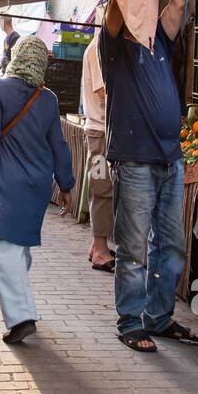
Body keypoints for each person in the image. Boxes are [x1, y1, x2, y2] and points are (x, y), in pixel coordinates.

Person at [100, 0, 198, 353]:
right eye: (139, 3)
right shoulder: (114, 47)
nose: (147, 7)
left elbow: (178, 2)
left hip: (170, 160)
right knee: (134, 245)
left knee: (171, 244)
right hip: (136, 160)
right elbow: (117, 8)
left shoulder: (159, 39)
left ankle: (157, 317)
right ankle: (130, 320)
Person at [0, 35, 74, 344]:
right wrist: (66, 184)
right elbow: (59, 145)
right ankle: (21, 300)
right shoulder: (49, 99)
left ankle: (21, 317)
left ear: (16, 57)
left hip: (4, 181)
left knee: (4, 250)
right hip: (37, 185)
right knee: (18, 248)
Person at [81, 25, 116, 272]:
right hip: (100, 132)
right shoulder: (98, 48)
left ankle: (97, 245)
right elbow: (104, 91)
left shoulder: (100, 46)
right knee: (102, 190)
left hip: (102, 131)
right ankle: (101, 252)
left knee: (102, 189)